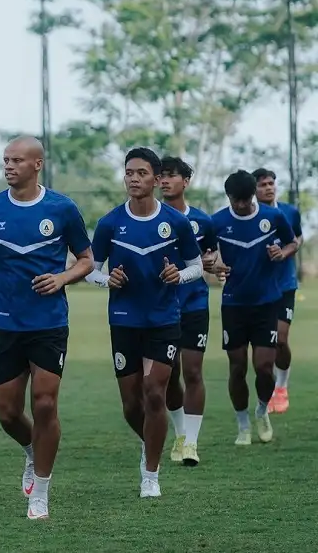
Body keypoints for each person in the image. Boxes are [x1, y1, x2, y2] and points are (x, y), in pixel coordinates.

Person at [0, 136, 93, 521]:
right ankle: (30, 449)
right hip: (6, 323)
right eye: (5, 160)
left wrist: (62, 278)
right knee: (8, 413)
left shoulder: (62, 208)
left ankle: (40, 491)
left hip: (49, 323)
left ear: (37, 164)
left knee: (44, 402)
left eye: (17, 160)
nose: (8, 166)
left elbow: (87, 260)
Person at [85, 147, 203, 499]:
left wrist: (176, 276)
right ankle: (150, 443)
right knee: (131, 405)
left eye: (141, 173)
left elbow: (196, 267)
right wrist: (108, 280)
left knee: (155, 392)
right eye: (129, 173)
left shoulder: (176, 223)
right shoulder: (109, 223)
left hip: (164, 319)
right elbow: (88, 267)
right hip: (124, 320)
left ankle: (150, 474)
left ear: (155, 178)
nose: (134, 179)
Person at [211, 170, 297, 446]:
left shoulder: (273, 217)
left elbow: (292, 242)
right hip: (234, 304)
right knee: (237, 368)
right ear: (229, 198)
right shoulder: (218, 221)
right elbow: (205, 253)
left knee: (263, 366)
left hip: (266, 303)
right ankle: (242, 423)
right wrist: (214, 265)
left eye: (245, 200)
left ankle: (261, 410)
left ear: (253, 195)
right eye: (235, 200)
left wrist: (282, 253)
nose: (241, 205)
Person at [159, 157, 218, 466]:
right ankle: (180, 433)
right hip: (161, 307)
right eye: (162, 176)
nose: (165, 181)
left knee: (193, 371)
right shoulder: (150, 219)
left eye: (172, 176)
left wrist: (212, 264)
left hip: (194, 303)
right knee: (169, 376)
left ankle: (191, 443)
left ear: (186, 181)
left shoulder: (202, 222)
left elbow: (210, 257)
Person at [252, 167, 302, 414]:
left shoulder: (290, 212)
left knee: (281, 340)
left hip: (284, 285)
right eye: (262, 185)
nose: (268, 188)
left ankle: (281, 387)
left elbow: (298, 238)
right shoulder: (248, 216)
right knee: (263, 345)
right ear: (254, 190)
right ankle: (266, 392)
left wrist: (285, 252)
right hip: (258, 289)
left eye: (271, 183)